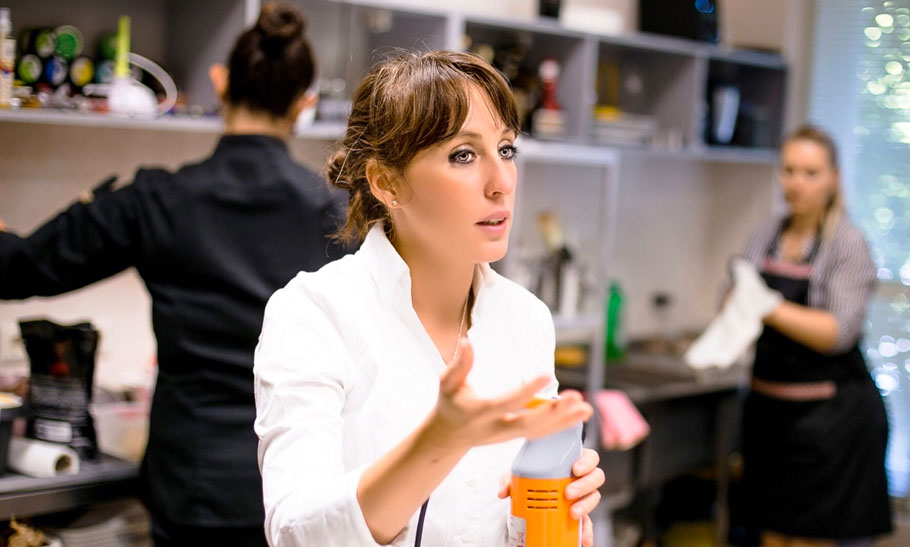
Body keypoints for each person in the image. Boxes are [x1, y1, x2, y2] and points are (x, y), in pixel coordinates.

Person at [0, 5, 346, 545]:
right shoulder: (337, 214)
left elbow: (20, 268)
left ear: (220, 82)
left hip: (192, 486)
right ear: (303, 104)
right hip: (296, 482)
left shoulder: (157, 200)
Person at [253, 50, 605, 546]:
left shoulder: (525, 320)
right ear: (386, 182)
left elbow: (518, 523)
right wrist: (439, 443)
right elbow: (296, 531)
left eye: (505, 149)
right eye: (463, 155)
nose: (501, 183)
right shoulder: (314, 313)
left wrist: (558, 507)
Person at [726, 125, 893, 546]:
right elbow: (733, 303)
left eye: (811, 172)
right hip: (770, 420)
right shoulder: (764, 234)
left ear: (834, 177)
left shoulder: (848, 245)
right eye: (789, 171)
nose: (796, 183)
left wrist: (768, 306)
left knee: (811, 538)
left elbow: (836, 332)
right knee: (772, 533)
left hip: (832, 425)